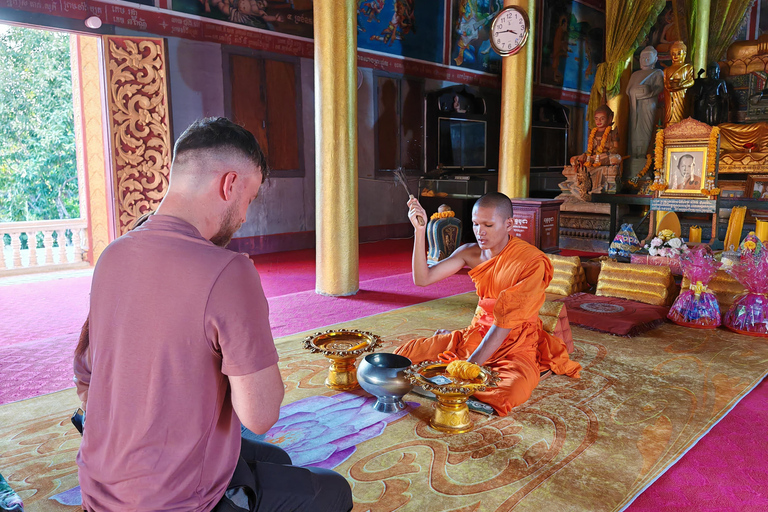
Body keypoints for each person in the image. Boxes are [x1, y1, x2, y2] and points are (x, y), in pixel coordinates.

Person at [73, 117, 353, 512]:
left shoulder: (112, 255)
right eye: (249, 199)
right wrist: (251, 310)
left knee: (277, 459)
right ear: (229, 184)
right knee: (335, 490)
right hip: (172, 502)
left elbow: (85, 379)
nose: (244, 217)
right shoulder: (228, 271)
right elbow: (260, 416)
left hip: (100, 489)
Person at [395, 193, 581, 416]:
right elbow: (422, 279)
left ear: (509, 224)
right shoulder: (470, 252)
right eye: (475, 224)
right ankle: (467, 379)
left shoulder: (531, 262)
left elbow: (506, 323)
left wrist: (469, 366)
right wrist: (419, 231)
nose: (480, 231)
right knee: (406, 354)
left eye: (488, 225)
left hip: (515, 341)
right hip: (477, 334)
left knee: (510, 391)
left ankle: (470, 383)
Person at [663, 41, 694, 126]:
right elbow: (665, 83)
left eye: (679, 53)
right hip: (670, 97)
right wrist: (668, 86)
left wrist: (680, 85)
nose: (675, 56)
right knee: (669, 116)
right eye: (673, 54)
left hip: (681, 96)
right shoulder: (666, 70)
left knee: (682, 116)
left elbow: (691, 81)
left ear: (684, 54)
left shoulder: (687, 68)